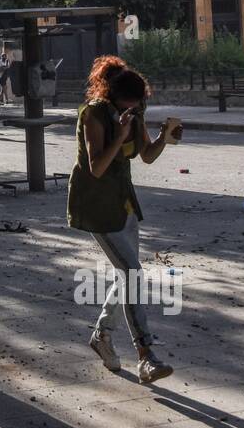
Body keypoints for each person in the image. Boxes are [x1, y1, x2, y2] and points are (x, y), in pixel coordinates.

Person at [67, 56, 180, 383]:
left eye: (140, 102)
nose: (136, 107)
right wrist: (120, 132)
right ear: (113, 96)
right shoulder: (94, 115)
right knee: (132, 272)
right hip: (96, 206)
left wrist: (165, 137)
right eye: (131, 103)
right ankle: (146, 354)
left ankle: (101, 336)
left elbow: (145, 155)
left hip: (124, 204)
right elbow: (97, 168)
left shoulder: (135, 114)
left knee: (125, 275)